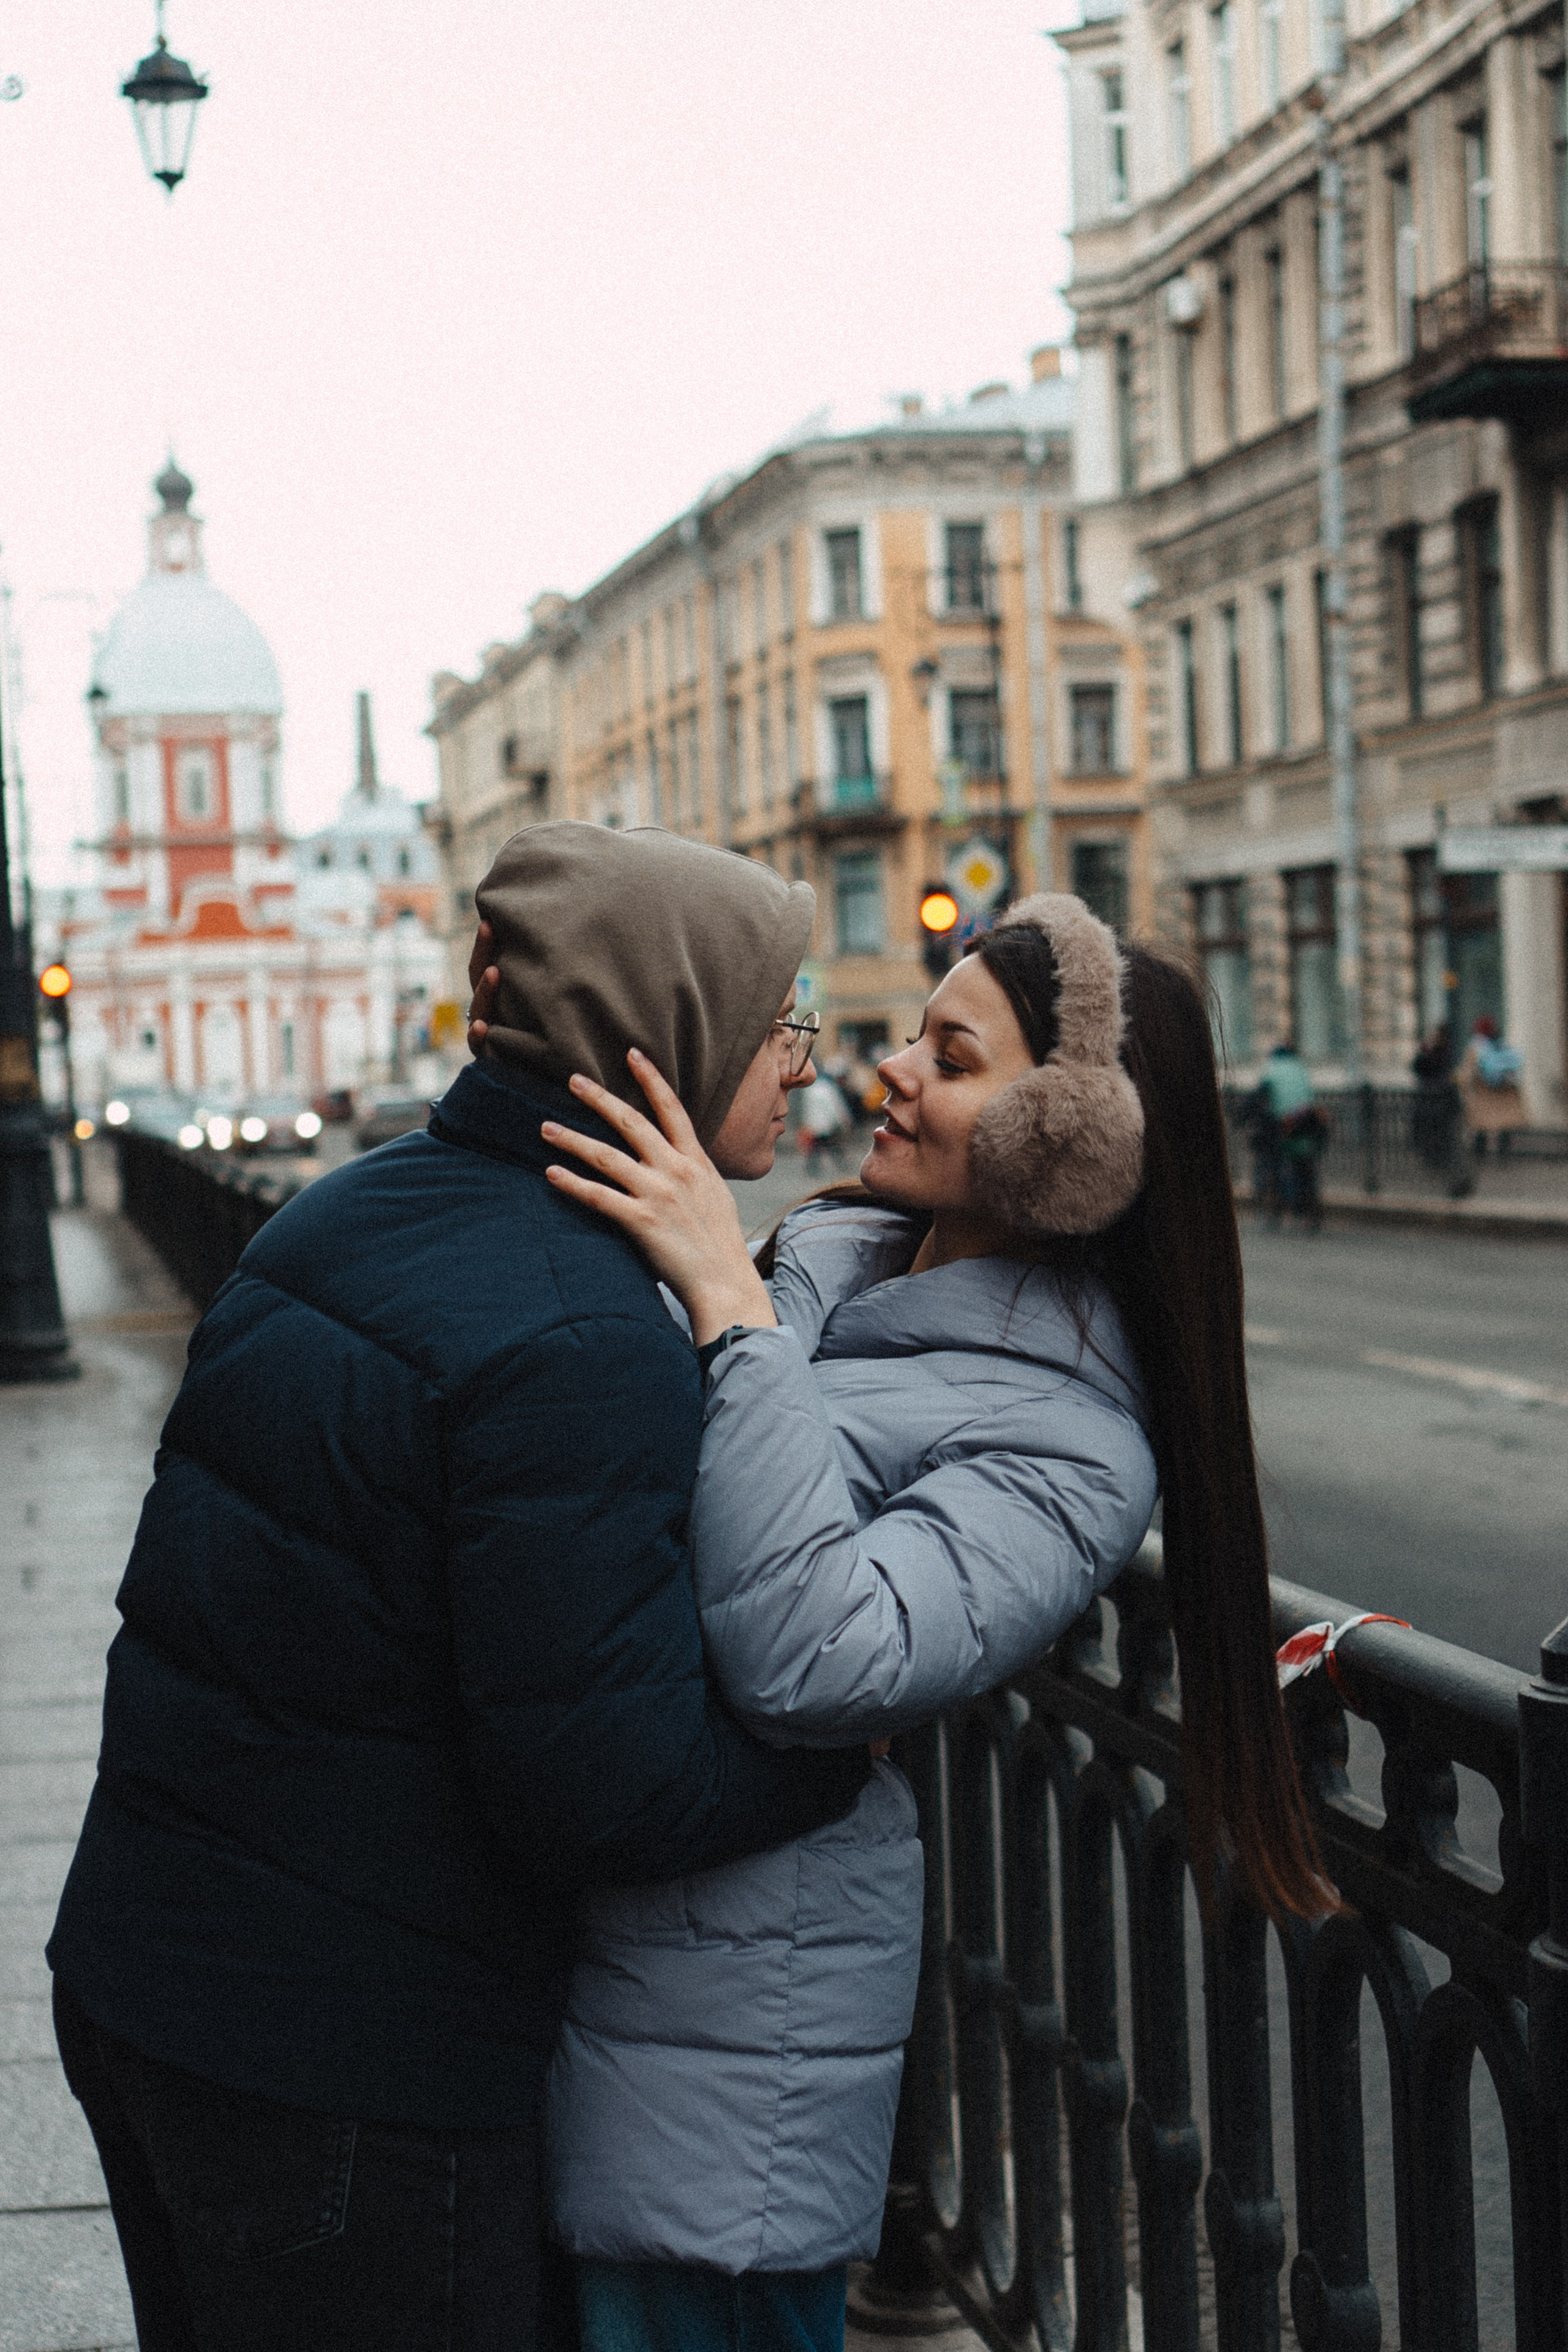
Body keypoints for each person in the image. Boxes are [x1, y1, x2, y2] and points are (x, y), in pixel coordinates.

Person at [47, 823, 869, 2352]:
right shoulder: (581, 1323)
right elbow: (598, 1788)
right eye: (780, 1024)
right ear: (670, 1030)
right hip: (349, 2070)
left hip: (148, 1980)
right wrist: (840, 1749)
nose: (803, 1068)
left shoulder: (344, 1210)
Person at [530, 891, 1339, 2352]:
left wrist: (725, 1301)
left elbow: (818, 1653)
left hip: (722, 2070)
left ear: (1069, 1132)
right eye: (913, 1036)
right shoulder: (828, 1261)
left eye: (948, 1055)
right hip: (607, 1953)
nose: (891, 1069)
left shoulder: (1069, 1442)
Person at [1257, 1038, 1326, 1231]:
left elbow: (1261, 1096)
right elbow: (1309, 1097)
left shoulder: (1271, 1069)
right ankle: (1312, 1215)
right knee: (1306, 1171)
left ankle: (1275, 1214)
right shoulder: (1300, 1068)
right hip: (1306, 1125)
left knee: (1276, 1170)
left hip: (1283, 1126)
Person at [1454, 1012, 1526, 1160]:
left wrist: (1457, 1080)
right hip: (1505, 1095)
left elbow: (1467, 1073)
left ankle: (1480, 1157)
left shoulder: (1476, 1049)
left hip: (1484, 1096)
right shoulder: (1503, 1044)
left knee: (1482, 1127)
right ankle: (1504, 1157)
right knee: (1504, 1127)